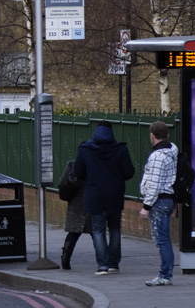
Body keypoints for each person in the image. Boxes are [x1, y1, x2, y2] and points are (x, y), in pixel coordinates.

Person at [72, 121, 135, 275]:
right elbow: (129, 172)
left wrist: (90, 178)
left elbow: (77, 171)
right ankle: (114, 264)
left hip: (95, 195)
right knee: (114, 229)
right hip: (115, 194)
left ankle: (102, 266)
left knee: (98, 230)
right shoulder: (121, 149)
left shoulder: (86, 149)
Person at [138, 120, 178, 287]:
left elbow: (154, 183)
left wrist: (146, 207)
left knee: (161, 240)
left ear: (152, 136)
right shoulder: (172, 151)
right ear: (167, 135)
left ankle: (165, 275)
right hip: (168, 199)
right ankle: (166, 274)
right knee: (164, 239)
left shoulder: (157, 156)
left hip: (159, 201)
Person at [57, 158, 90, 270]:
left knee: (74, 232)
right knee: (96, 232)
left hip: (75, 201)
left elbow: (62, 182)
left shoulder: (73, 164)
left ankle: (65, 258)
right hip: (91, 199)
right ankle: (103, 261)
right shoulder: (96, 162)